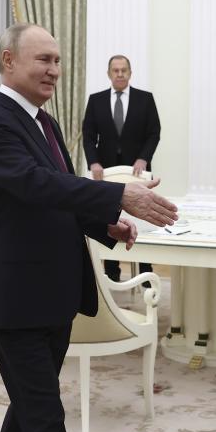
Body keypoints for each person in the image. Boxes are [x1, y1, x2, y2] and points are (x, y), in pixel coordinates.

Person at [0, 23, 177, 432]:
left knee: (30, 402)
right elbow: (35, 186)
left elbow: (55, 194)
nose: (54, 71)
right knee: (44, 413)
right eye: (43, 60)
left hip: (51, 290)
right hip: (12, 296)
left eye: (58, 61)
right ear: (8, 61)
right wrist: (119, 192)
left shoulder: (44, 122)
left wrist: (107, 222)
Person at [82, 54, 161, 282]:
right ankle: (112, 273)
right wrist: (93, 161)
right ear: (109, 74)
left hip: (138, 172)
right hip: (106, 172)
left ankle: (146, 273)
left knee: (143, 218)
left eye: (123, 70)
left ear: (130, 73)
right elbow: (88, 136)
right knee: (110, 218)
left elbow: (154, 133)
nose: (119, 74)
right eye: (115, 70)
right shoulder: (96, 100)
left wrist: (143, 158)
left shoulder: (145, 99)